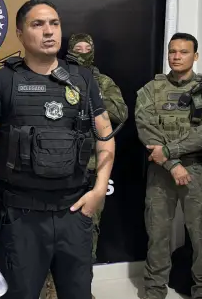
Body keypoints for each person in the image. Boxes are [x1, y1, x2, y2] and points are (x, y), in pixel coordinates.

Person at [0, 0, 117, 299]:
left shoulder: (83, 79)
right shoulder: (1, 82)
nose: (49, 31)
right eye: (38, 24)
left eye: (54, 23)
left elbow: (106, 136)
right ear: (20, 34)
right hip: (21, 218)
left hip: (74, 213)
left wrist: (99, 190)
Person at [135, 32, 202, 299]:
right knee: (157, 234)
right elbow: (145, 128)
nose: (176, 57)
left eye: (183, 52)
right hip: (161, 172)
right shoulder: (151, 89)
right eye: (172, 51)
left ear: (195, 56)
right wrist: (172, 163)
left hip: (195, 170)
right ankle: (154, 292)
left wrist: (169, 152)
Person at [43, 33, 129, 299]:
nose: (82, 51)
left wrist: (92, 93)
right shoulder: (55, 75)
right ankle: (50, 291)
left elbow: (120, 113)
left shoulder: (102, 81)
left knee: (86, 234)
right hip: (56, 166)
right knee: (50, 234)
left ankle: (80, 290)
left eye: (86, 47)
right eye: (77, 48)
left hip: (90, 169)